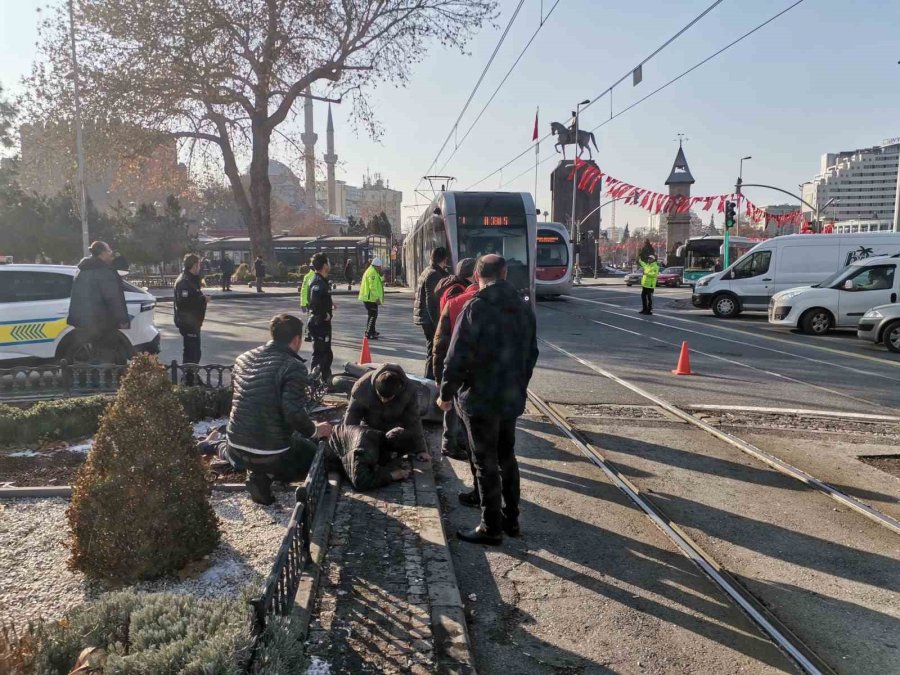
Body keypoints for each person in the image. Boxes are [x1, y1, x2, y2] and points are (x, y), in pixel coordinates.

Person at [438, 255, 538, 545]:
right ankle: (512, 520)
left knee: (485, 462)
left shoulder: (475, 308)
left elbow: (456, 356)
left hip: (480, 398)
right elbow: (531, 354)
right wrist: (519, 384)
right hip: (510, 397)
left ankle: (490, 526)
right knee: (507, 456)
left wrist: (446, 392)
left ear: (477, 277)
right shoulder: (523, 308)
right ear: (504, 274)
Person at [226, 314, 333, 505]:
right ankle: (265, 476)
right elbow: (293, 412)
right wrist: (315, 430)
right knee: (315, 454)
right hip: (271, 453)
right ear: (297, 340)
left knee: (268, 437)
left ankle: (257, 474)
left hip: (234, 445)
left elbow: (239, 399)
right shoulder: (293, 367)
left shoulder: (243, 358)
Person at [431, 258, 477, 462]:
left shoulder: (450, 288)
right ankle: (452, 442)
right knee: (455, 406)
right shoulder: (462, 295)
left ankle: (453, 442)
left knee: (452, 402)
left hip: (451, 355)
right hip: (459, 356)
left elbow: (439, 339)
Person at [345, 364, 430, 462]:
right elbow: (352, 416)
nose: (384, 401)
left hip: (394, 430)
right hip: (370, 429)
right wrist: (348, 444)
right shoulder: (362, 387)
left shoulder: (409, 390)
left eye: (388, 398)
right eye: (380, 396)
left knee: (406, 441)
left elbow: (413, 419)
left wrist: (420, 450)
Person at [67, 240, 130, 363]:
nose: (111, 253)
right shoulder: (104, 272)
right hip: (104, 323)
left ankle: (94, 378)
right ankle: (105, 380)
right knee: (106, 356)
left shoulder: (82, 270)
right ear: (102, 253)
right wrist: (122, 319)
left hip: (85, 322)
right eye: (109, 250)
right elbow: (113, 298)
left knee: (93, 354)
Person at [325, 424, 411, 491]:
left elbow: (382, 456)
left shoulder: (377, 437)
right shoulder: (364, 451)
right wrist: (391, 475)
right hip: (326, 451)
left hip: (333, 442)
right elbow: (360, 482)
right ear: (394, 452)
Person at [413, 247, 450, 379]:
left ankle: (429, 378)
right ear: (444, 260)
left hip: (425, 318)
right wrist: (438, 322)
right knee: (434, 350)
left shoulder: (428, 271)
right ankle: (429, 379)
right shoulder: (434, 274)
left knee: (432, 349)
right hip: (430, 320)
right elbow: (432, 302)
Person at [173, 253, 209, 384]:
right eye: (199, 264)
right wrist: (202, 299)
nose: (200, 267)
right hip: (188, 322)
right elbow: (184, 303)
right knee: (191, 351)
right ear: (194, 265)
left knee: (194, 351)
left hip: (193, 321)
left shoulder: (190, 279)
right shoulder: (184, 281)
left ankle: (191, 375)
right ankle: (189, 378)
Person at [307, 253, 334, 385]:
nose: (330, 265)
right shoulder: (317, 282)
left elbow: (321, 299)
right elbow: (314, 304)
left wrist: (330, 305)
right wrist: (325, 315)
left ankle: (326, 380)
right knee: (319, 353)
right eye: (328, 262)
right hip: (318, 323)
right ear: (324, 265)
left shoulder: (323, 280)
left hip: (323, 324)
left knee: (327, 353)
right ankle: (314, 382)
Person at [358, 257, 384, 339]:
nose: (380, 268)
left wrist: (382, 278)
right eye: (380, 267)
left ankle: (372, 331)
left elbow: (377, 281)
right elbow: (372, 286)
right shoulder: (372, 272)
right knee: (372, 315)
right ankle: (369, 332)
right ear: (377, 266)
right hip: (370, 298)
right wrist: (377, 298)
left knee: (373, 315)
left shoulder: (372, 271)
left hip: (370, 298)